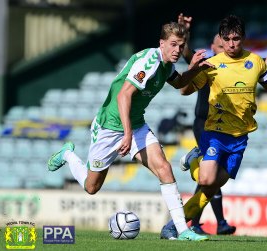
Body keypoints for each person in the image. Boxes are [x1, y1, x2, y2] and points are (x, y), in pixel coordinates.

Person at [47, 21, 215, 241]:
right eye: (173, 44)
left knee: (164, 168)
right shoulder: (150, 61)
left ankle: (182, 230)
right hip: (109, 126)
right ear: (161, 43)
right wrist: (126, 134)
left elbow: (181, 85)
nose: (177, 50)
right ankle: (67, 154)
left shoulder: (167, 66)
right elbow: (123, 95)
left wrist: (194, 68)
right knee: (91, 187)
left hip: (136, 124)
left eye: (181, 46)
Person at [160, 14, 267, 240]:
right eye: (227, 39)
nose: (231, 44)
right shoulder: (213, 64)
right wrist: (193, 68)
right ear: (221, 38)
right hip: (215, 133)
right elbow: (184, 90)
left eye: (236, 39)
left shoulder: (255, 62)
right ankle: (194, 162)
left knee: (209, 188)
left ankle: (172, 226)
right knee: (207, 181)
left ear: (243, 38)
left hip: (240, 138)